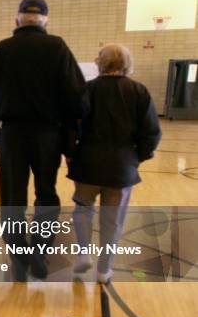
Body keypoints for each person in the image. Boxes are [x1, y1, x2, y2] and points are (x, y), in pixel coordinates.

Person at [0, 0, 85, 281]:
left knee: (12, 195)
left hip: (11, 134)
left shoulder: (2, 49)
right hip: (48, 134)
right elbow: (76, 97)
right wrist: (70, 140)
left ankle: (18, 253)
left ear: (17, 20)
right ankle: (40, 247)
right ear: (45, 20)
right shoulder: (57, 47)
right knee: (46, 192)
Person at [68, 44, 161, 283]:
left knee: (82, 210)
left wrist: (70, 152)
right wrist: (136, 158)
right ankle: (104, 270)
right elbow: (151, 132)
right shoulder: (139, 91)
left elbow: (70, 127)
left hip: (87, 163)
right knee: (113, 220)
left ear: (100, 62)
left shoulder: (86, 90)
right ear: (127, 64)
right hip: (121, 167)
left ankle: (83, 254)